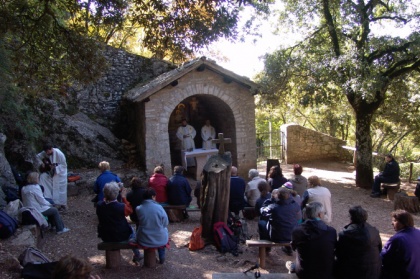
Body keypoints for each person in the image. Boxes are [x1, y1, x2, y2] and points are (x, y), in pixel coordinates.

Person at [286, 201, 337, 278]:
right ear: (320, 215)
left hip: (304, 273)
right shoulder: (331, 231)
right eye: (324, 213)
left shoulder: (297, 231)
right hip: (326, 273)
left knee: (291, 263)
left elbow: (294, 248)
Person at [96, 182, 142, 264]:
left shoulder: (99, 205)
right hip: (121, 235)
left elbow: (105, 202)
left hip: (105, 235)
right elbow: (130, 210)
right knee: (133, 231)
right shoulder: (121, 207)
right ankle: (137, 254)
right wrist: (124, 198)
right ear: (117, 194)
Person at [335, 206, 382, 279]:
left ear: (351, 218)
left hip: (353, 272)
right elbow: (379, 249)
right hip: (373, 272)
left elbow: (339, 253)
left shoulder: (345, 234)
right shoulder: (374, 231)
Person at [259, 188, 300, 256]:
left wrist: (272, 199)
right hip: (291, 236)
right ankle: (288, 248)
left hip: (276, 237)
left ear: (277, 196)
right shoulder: (295, 205)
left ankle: (267, 247)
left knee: (262, 223)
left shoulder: (273, 206)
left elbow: (263, 211)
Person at [380, 210, 420, 279]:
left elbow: (384, 257)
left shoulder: (398, 239)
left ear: (403, 223)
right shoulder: (418, 233)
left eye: (395, 221)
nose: (392, 223)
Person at [135, 188, 169, 264]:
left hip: (144, 239)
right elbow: (165, 223)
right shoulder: (159, 208)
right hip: (160, 239)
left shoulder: (139, 209)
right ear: (153, 197)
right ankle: (162, 255)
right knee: (164, 231)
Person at [37, 143, 68, 210]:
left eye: (48, 151)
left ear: (51, 149)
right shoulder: (45, 153)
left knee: (60, 189)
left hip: (60, 173)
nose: (47, 153)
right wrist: (43, 163)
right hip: (52, 173)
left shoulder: (59, 154)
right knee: (43, 177)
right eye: (46, 152)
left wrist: (55, 168)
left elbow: (64, 165)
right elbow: (38, 157)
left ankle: (62, 204)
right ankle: (48, 199)